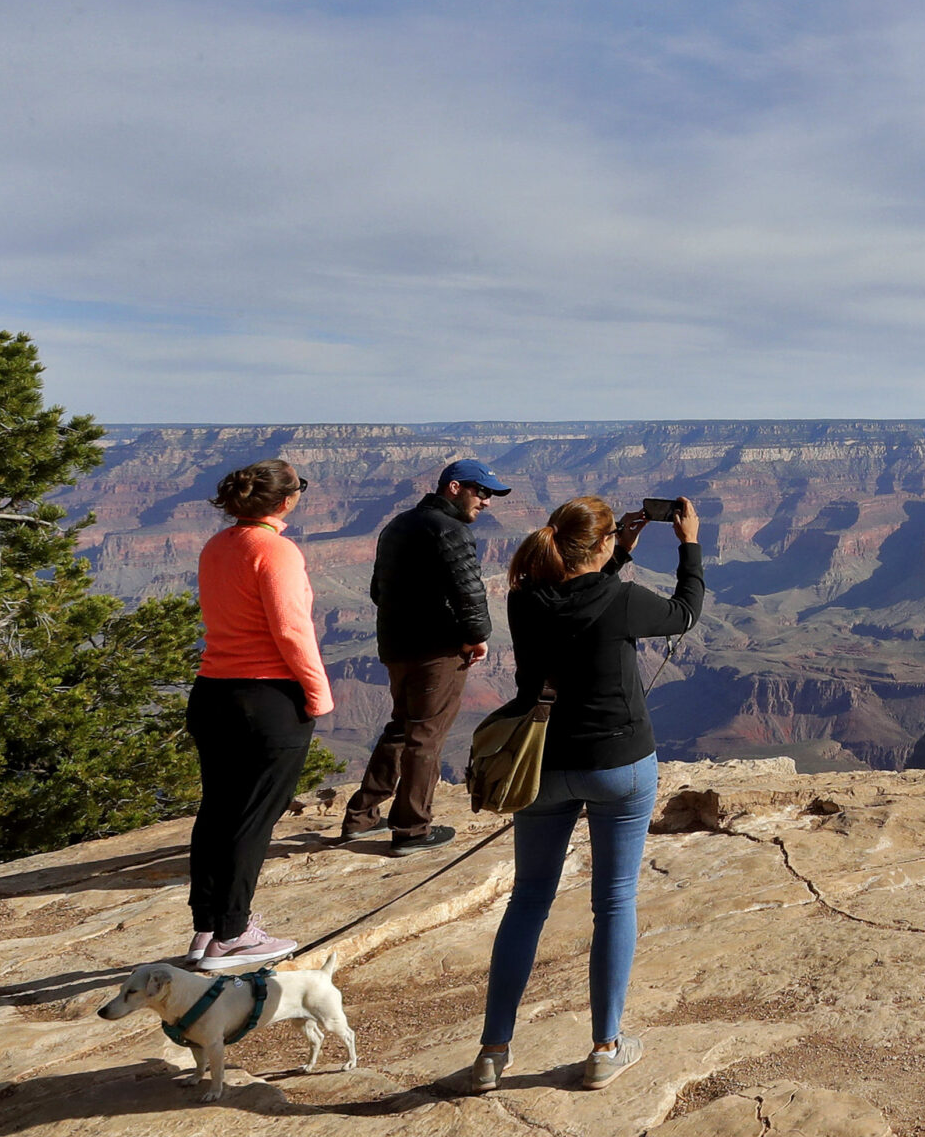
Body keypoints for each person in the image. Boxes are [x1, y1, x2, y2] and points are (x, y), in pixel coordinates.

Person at [461, 493, 702, 1094]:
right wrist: (688, 544)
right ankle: (604, 1049)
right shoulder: (621, 600)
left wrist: (616, 551)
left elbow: (576, 600)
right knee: (614, 901)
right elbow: (684, 613)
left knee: (528, 901)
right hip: (618, 767)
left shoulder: (523, 599)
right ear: (599, 545)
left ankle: (492, 1052)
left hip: (540, 766)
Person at [187, 457, 333, 968]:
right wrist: (318, 693)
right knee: (253, 818)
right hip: (266, 699)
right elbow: (292, 631)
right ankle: (232, 933)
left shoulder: (217, 546)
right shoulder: (276, 551)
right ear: (286, 501)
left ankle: (206, 929)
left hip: (212, 693)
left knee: (218, 811)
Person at [341, 458, 512, 856]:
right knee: (426, 737)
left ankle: (361, 818)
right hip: (436, 651)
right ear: (454, 488)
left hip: (395, 648)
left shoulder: (397, 525)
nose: (487, 502)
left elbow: (377, 592)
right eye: (481, 491)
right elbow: (469, 592)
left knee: (402, 727)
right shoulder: (451, 531)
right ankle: (412, 831)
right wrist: (477, 637)